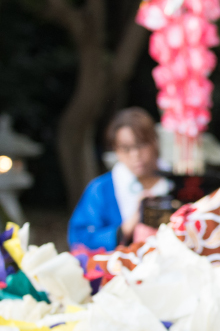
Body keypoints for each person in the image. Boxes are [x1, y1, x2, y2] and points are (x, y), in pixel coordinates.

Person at [68, 107, 172, 251]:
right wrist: (125, 229)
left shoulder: (178, 183)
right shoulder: (101, 189)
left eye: (141, 145)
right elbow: (79, 239)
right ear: (116, 150)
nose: (135, 155)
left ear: (154, 142)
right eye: (126, 148)